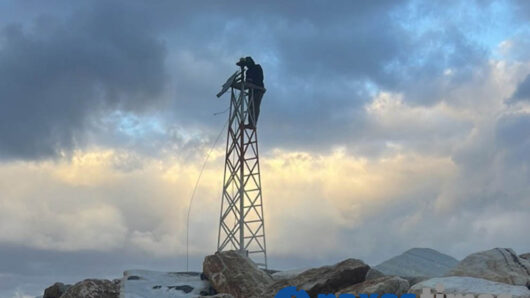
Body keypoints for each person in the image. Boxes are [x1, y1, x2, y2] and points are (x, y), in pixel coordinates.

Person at [238, 56, 264, 129]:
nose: (246, 65)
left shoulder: (257, 67)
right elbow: (247, 81)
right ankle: (250, 123)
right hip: (251, 90)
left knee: (255, 106)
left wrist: (252, 81)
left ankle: (252, 124)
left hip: (258, 89)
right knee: (250, 107)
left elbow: (260, 78)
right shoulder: (248, 71)